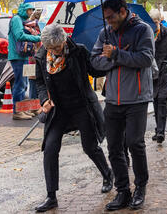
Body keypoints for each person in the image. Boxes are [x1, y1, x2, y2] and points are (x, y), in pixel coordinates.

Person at [33, 24, 113, 212]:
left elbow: (95, 71)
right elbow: (40, 83)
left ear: (63, 41)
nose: (53, 51)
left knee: (90, 146)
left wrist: (107, 58)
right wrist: (44, 99)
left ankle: (108, 174)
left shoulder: (78, 52)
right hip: (57, 110)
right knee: (50, 149)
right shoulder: (42, 56)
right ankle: (51, 196)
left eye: (56, 47)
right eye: (49, 48)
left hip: (81, 106)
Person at [91, 0, 154, 211]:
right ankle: (123, 191)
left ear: (123, 11)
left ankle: (140, 188)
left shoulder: (142, 30)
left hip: (137, 97)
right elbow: (95, 61)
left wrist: (116, 54)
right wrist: (111, 58)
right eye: (106, 18)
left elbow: (145, 59)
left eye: (112, 17)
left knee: (135, 143)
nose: (109, 21)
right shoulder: (104, 33)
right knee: (114, 147)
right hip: (112, 100)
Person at [8, 2, 42, 120]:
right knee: (20, 84)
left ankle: (22, 109)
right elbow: (19, 36)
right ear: (23, 10)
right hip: (17, 56)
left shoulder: (22, 20)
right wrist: (37, 38)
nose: (30, 13)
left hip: (23, 56)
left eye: (31, 10)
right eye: (28, 10)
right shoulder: (16, 19)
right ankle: (17, 111)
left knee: (24, 84)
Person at [149, 9, 167, 144]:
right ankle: (158, 128)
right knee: (155, 100)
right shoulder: (147, 34)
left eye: (156, 22)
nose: (154, 25)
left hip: (165, 70)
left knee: (162, 100)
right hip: (152, 72)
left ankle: (161, 132)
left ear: (160, 21)